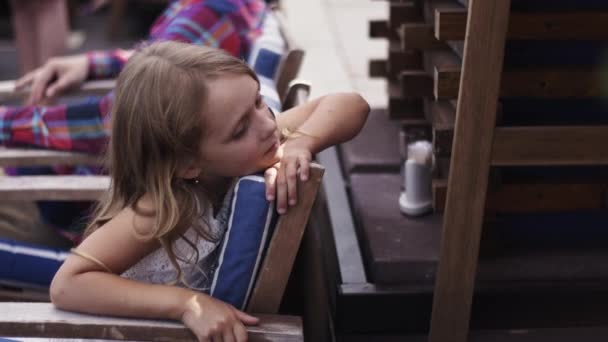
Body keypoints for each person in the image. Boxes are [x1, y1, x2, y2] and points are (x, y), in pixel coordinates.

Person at [49, 40, 369, 342]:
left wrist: (302, 141)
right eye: (240, 129)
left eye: (258, 101)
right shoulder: (164, 209)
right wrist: (187, 304)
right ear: (188, 165)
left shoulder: (251, 143)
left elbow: (352, 104)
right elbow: (67, 284)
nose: (269, 125)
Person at [0, 0, 267, 244]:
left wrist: (6, 123)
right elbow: (162, 63)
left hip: (84, 204)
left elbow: (111, 123)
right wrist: (94, 63)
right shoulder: (221, 7)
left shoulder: (207, 12)